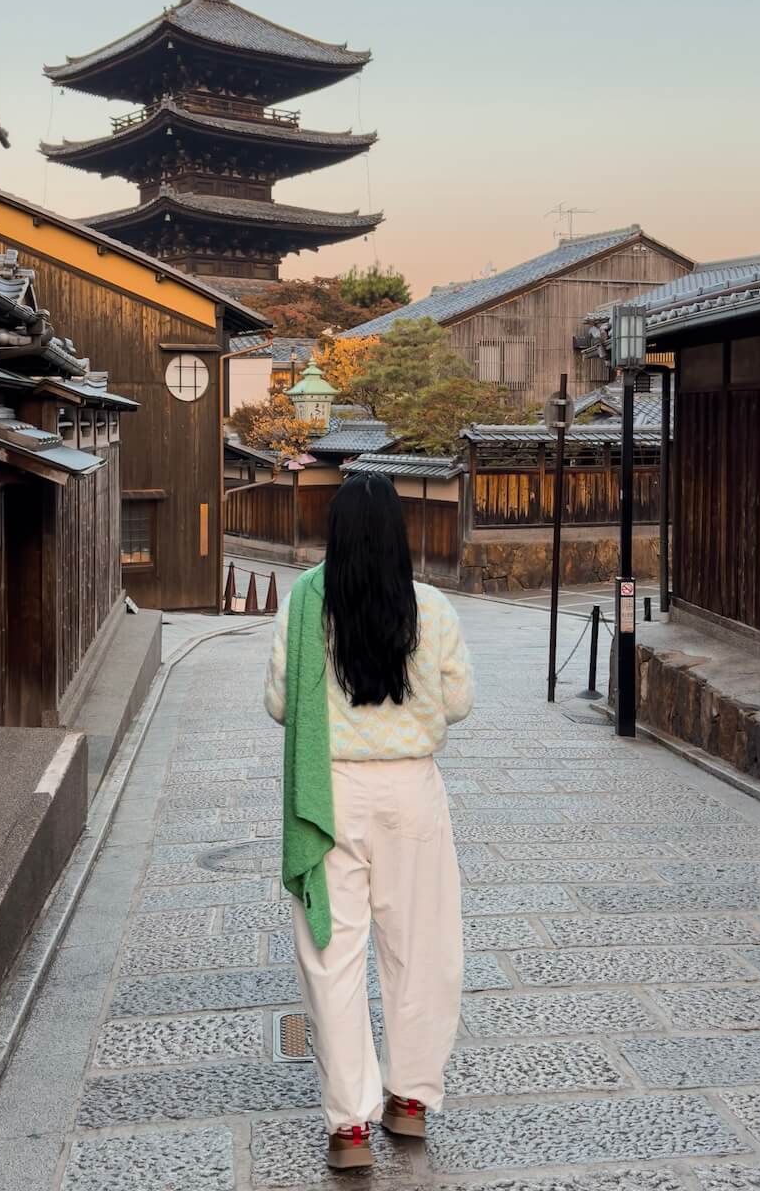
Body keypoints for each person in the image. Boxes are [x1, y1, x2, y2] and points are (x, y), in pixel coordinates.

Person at [264, 472, 474, 1170]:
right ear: (398, 535)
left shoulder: (303, 604)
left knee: (334, 955)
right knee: (421, 948)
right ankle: (409, 1099)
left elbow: (279, 704)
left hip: (329, 794)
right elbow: (460, 703)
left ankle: (349, 1126)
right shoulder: (434, 608)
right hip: (412, 794)